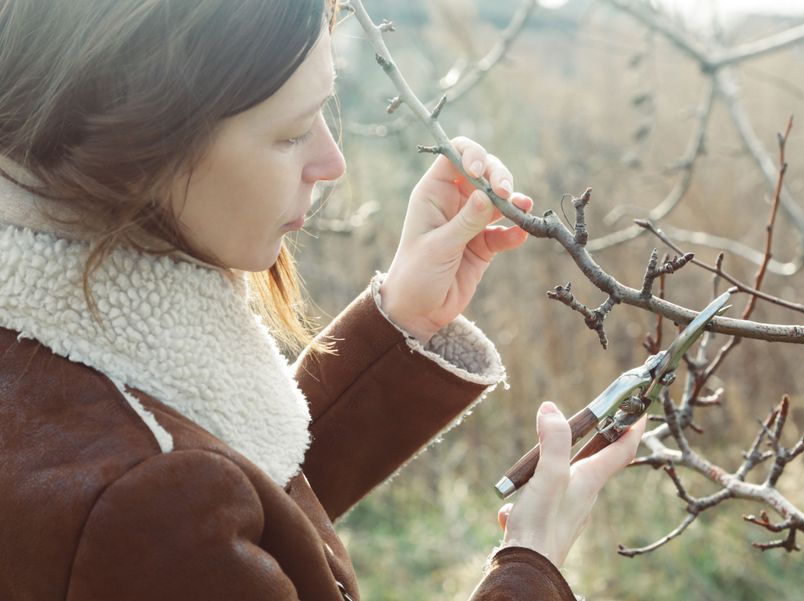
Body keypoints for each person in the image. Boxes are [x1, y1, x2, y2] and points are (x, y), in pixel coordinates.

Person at [0, 1, 645, 600]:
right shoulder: (137, 502)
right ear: (142, 140)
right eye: (291, 133)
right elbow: (184, 510)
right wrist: (534, 564)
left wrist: (403, 320)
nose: (332, 162)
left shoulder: (57, 362)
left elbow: (243, 523)